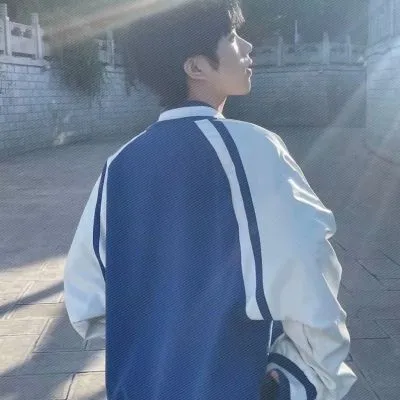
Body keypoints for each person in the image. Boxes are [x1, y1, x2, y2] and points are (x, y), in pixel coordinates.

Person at [63, 1, 357, 399]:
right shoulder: (255, 149)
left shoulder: (120, 164)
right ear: (196, 67)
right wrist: (306, 379)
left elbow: (86, 298)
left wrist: (161, 343)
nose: (248, 47)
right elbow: (310, 274)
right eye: (233, 36)